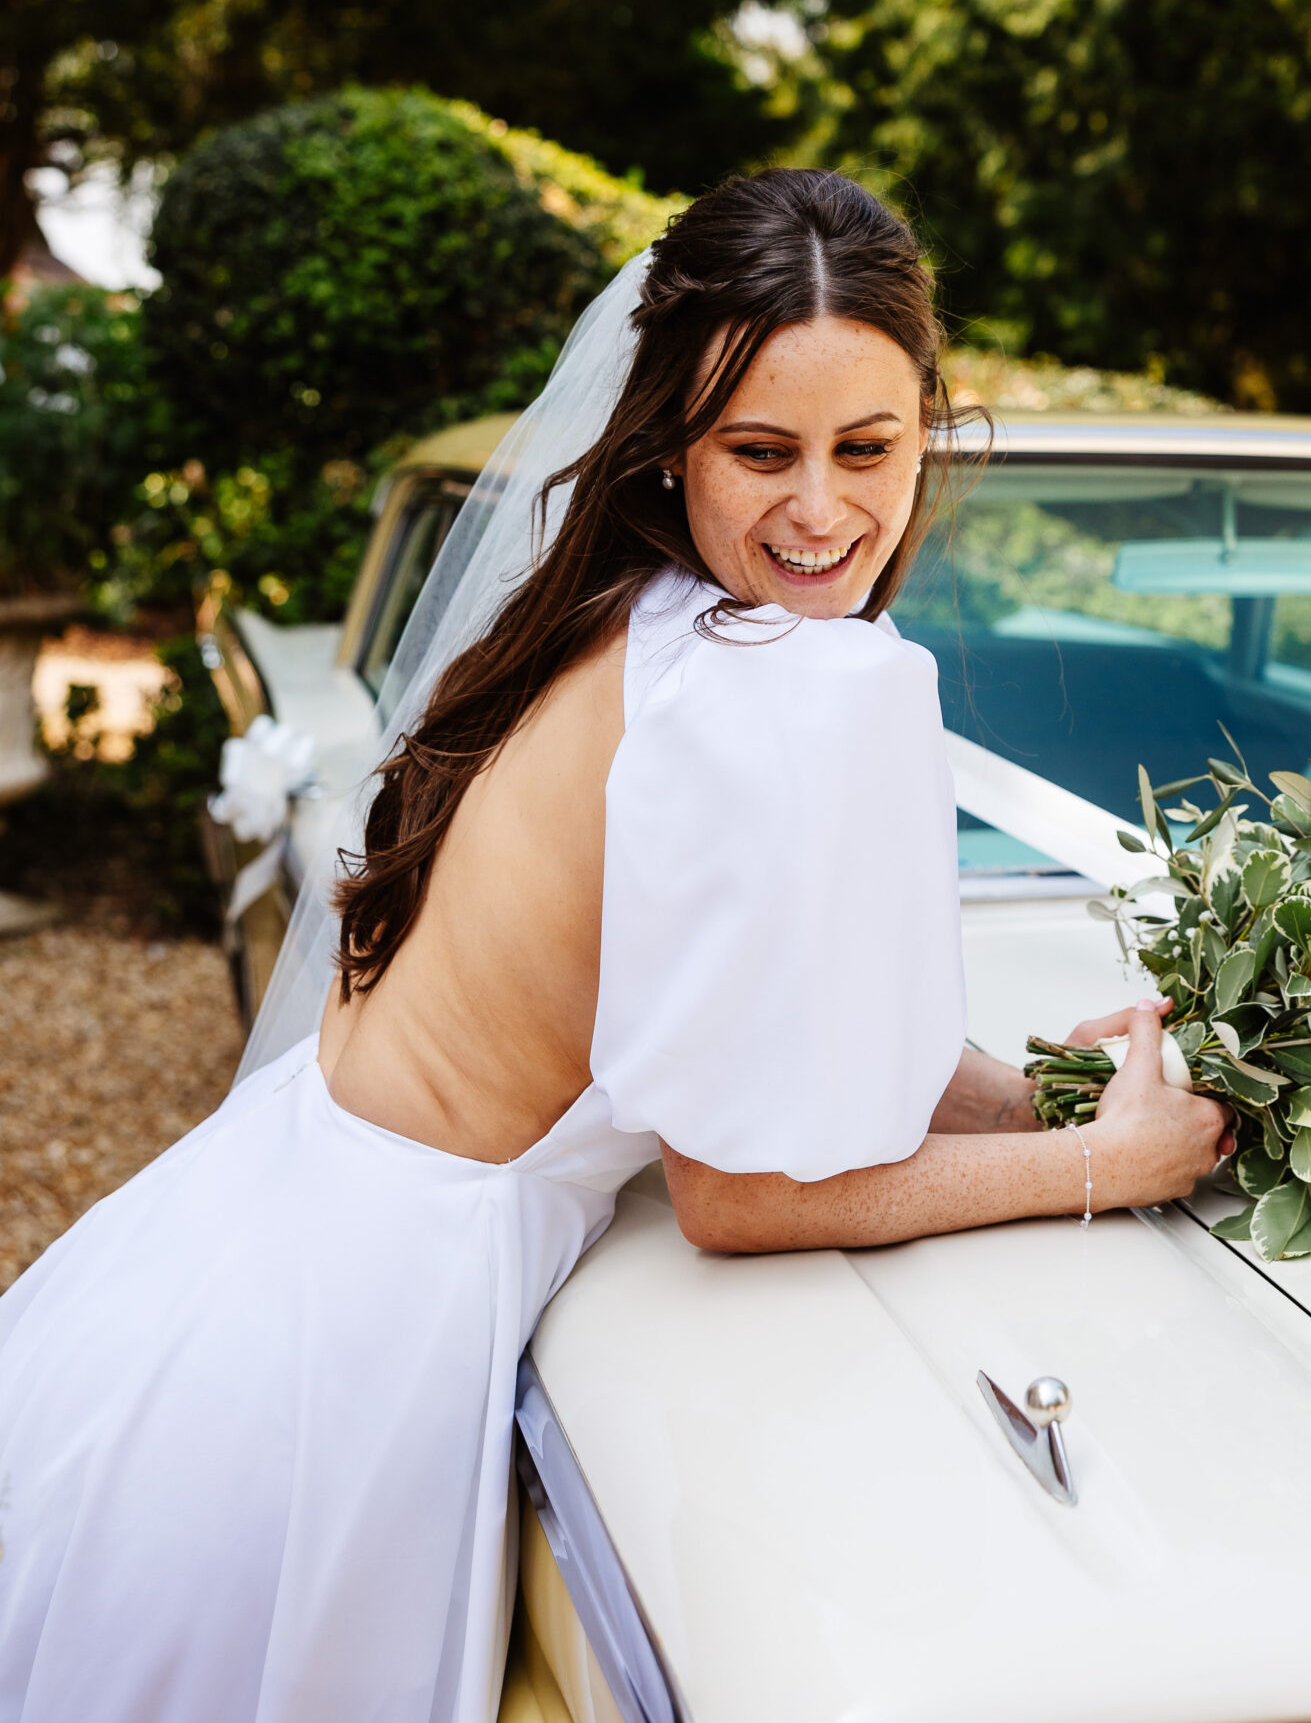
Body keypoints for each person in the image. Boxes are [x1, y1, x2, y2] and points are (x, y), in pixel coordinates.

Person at [0, 168, 1226, 1723]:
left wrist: (1040, 1094)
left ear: (935, 431)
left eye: (871, 449)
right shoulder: (783, 682)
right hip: (350, 1364)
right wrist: (1106, 1169)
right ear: (674, 444)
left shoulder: (622, 613)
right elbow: (739, 1192)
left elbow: (771, 1030)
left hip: (224, 1259)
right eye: (760, 452)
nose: (823, 510)